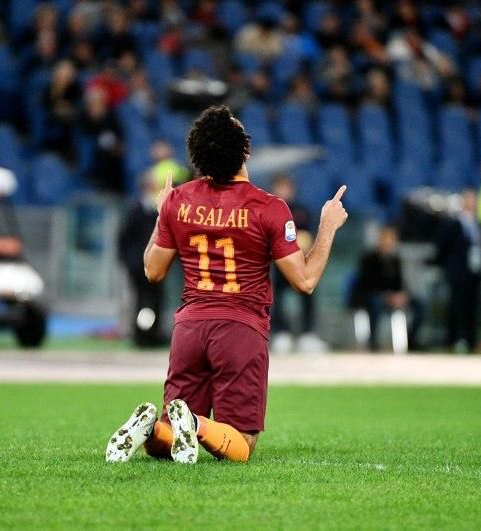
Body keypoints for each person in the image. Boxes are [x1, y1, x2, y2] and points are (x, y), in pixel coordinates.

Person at [105, 105, 348, 464]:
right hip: (240, 329)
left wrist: (162, 214)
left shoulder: (177, 201)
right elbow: (305, 280)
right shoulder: (269, 207)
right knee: (242, 444)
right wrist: (328, 225)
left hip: (189, 329)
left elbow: (153, 271)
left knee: (169, 439)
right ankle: (198, 424)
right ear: (244, 150)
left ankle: (151, 429)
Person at [268, 174, 326, 353]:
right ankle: (281, 333)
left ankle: (308, 334)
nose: (283, 191)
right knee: (276, 295)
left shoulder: (301, 211)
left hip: (299, 261)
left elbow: (308, 236)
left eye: (286, 187)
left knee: (308, 293)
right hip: (278, 264)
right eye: (280, 187)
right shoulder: (269, 209)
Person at [349, 225, 424, 351]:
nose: (388, 242)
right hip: (370, 296)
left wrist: (401, 295)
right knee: (376, 303)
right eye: (386, 238)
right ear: (380, 239)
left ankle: (412, 340)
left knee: (420, 303)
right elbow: (367, 284)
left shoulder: (395, 260)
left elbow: (399, 283)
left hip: (392, 297)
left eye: (391, 239)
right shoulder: (369, 258)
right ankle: (373, 342)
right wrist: (387, 297)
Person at [118, 173, 168, 348]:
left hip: (157, 263)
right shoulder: (136, 210)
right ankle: (141, 335)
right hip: (139, 266)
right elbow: (124, 239)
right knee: (140, 300)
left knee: (157, 300)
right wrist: (129, 262)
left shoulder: (156, 210)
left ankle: (155, 333)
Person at [436, 189, 481, 353]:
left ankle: (471, 341)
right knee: (456, 306)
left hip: (474, 271)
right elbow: (443, 247)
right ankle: (454, 340)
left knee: (472, 306)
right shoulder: (454, 223)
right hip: (457, 272)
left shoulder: (479, 223)